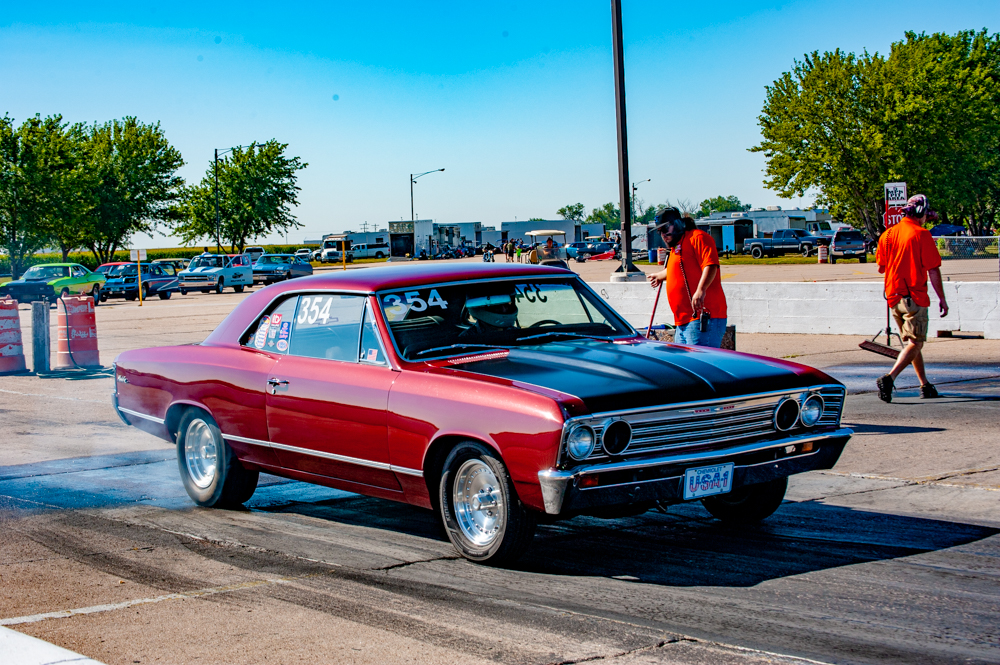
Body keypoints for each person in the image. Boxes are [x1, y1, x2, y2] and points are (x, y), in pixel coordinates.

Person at [874, 194, 949, 402]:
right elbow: (933, 270)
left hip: (893, 297)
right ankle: (889, 378)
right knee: (915, 343)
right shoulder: (921, 234)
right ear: (920, 213)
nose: (926, 218)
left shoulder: (888, 235)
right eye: (926, 214)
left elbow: (881, 267)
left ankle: (925, 385)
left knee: (912, 343)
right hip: (913, 296)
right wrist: (942, 299)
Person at [647, 207, 728, 347]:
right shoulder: (677, 247)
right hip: (683, 321)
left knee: (699, 360)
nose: (663, 234)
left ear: (678, 223)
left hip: (702, 318)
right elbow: (676, 269)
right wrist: (660, 275)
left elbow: (711, 265)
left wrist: (701, 290)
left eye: (665, 228)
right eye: (660, 231)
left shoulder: (698, 237)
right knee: (685, 361)